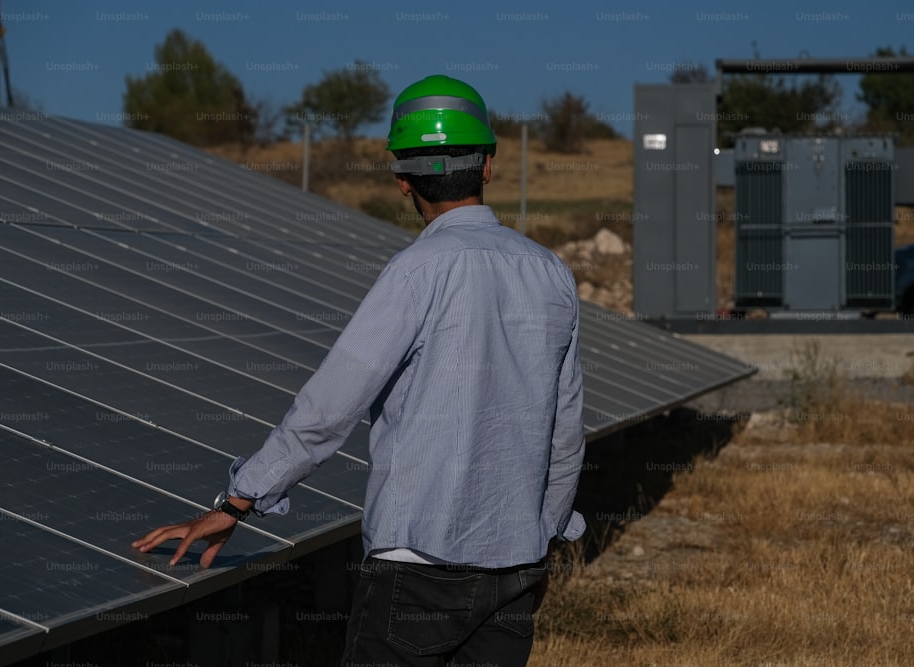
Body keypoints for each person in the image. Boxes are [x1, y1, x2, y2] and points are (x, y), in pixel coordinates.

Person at [133, 74, 586, 667]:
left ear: (402, 180)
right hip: (514, 569)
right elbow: (566, 429)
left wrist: (239, 500)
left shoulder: (415, 272)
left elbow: (329, 408)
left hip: (416, 570)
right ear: (490, 166)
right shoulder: (551, 273)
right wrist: (541, 538)